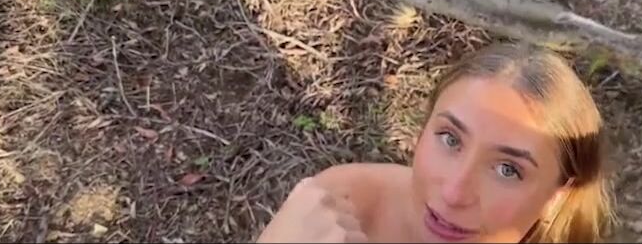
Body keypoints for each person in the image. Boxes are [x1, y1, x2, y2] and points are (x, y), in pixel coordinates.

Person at [256, 42, 615, 243]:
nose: (455, 193)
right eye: (450, 138)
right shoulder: (343, 207)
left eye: (508, 169)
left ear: (557, 196)